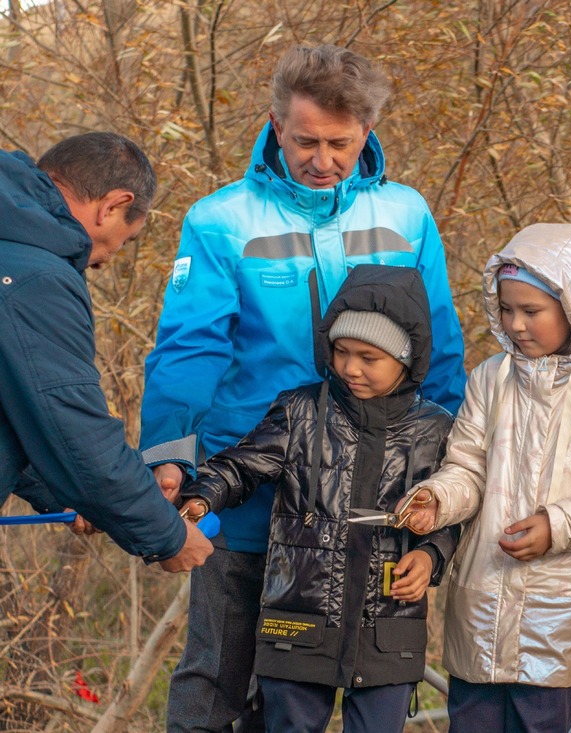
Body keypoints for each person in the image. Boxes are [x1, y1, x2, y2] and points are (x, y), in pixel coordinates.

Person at [140, 45, 467, 732]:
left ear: (367, 132)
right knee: (217, 681)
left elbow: (438, 351)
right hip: (248, 492)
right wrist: (167, 452)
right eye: (305, 140)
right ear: (275, 124)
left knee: (312, 695)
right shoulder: (222, 219)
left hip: (368, 509)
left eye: (340, 144)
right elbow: (190, 346)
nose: (322, 158)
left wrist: (458, 477)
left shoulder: (406, 215)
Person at [401, 223, 571, 733]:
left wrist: (556, 524)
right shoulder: (490, 378)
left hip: (560, 611)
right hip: (479, 601)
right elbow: (468, 468)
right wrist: (438, 498)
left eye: (532, 311)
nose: (517, 324)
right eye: (507, 309)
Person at [175, 265, 458, 733]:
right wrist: (204, 496)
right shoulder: (301, 410)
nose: (350, 367)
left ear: (407, 359)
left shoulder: (436, 430)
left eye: (369, 357)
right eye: (342, 351)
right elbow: (239, 465)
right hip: (298, 624)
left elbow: (453, 514)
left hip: (389, 628)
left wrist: (431, 555)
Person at [0, 132, 212, 573]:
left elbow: (19, 412)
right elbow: (74, 427)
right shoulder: (38, 279)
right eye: (126, 238)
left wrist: (72, 494)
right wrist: (166, 535)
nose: (106, 259)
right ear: (112, 205)